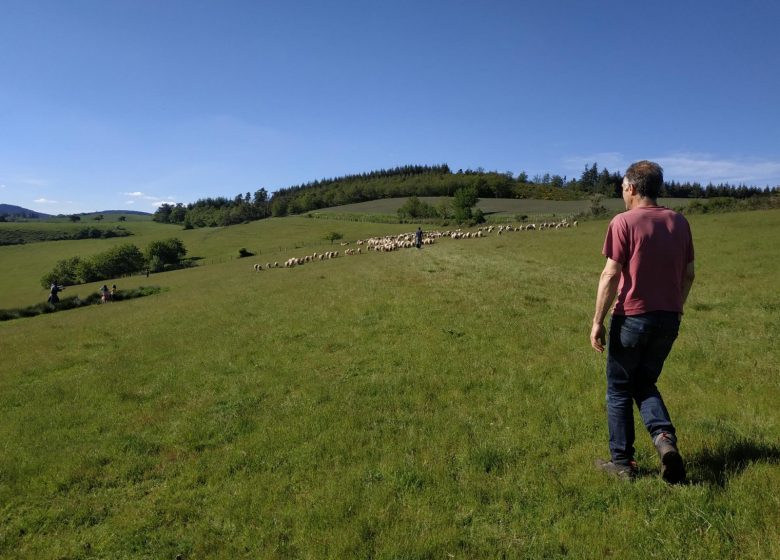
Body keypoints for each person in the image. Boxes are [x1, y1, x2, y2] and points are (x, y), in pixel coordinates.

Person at [590, 160, 695, 484]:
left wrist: (597, 321)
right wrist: (675, 306)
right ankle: (665, 442)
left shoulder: (623, 222)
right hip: (669, 319)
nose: (622, 193)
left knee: (620, 389)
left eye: (622, 188)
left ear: (632, 188)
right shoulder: (679, 222)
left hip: (632, 318)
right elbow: (689, 274)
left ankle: (622, 463)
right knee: (644, 383)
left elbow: (611, 274)